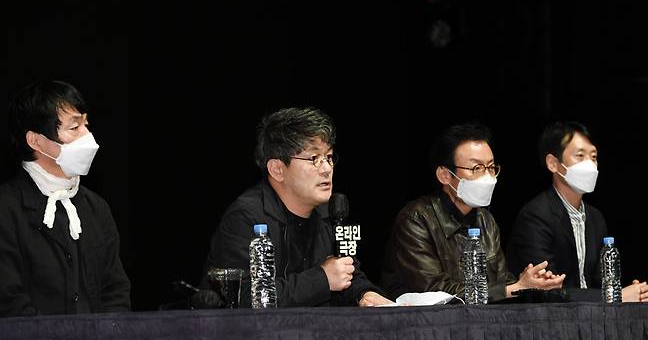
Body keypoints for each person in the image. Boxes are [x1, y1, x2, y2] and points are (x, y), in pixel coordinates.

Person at [202, 107, 393, 307]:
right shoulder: (245, 217)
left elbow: (345, 273)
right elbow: (240, 297)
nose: (327, 169)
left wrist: (364, 294)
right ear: (277, 169)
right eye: (314, 159)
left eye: (328, 157)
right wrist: (321, 280)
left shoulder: (328, 214)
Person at [380, 123, 564, 301]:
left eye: (491, 167)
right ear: (445, 175)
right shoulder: (417, 218)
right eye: (476, 168)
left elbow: (501, 283)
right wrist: (511, 289)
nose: (487, 176)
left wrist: (529, 284)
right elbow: (435, 290)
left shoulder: (485, 220)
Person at [0, 80, 131, 317]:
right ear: (36, 141)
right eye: (74, 128)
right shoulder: (7, 208)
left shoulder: (96, 207)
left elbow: (115, 290)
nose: (87, 136)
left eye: (86, 125)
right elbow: (8, 298)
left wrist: (110, 339)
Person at [506, 121, 648, 302]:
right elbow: (548, 290)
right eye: (580, 155)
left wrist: (634, 293)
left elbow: (601, 283)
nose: (590, 164)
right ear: (553, 163)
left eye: (593, 156)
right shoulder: (535, 216)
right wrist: (616, 296)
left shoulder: (595, 217)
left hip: (592, 319)